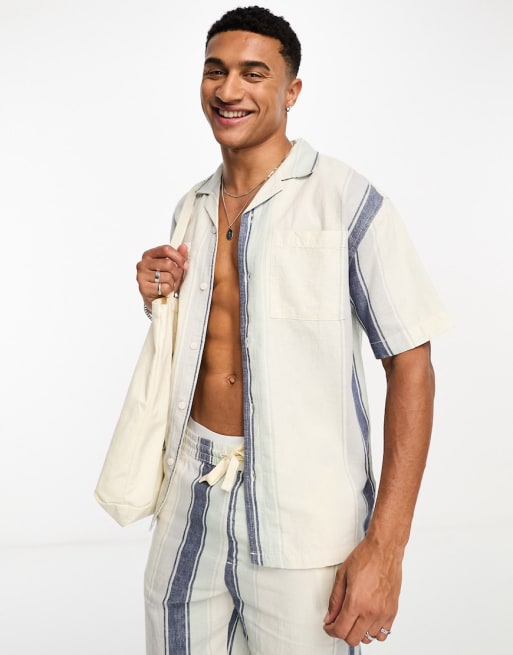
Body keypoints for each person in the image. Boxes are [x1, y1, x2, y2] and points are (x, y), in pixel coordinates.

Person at [136, 6, 450, 654]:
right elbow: (206, 341)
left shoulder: (346, 200)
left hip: (304, 515)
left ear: (291, 90)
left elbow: (411, 363)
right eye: (216, 71)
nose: (229, 90)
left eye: (253, 73)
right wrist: (158, 293)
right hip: (189, 496)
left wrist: (386, 547)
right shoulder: (191, 206)